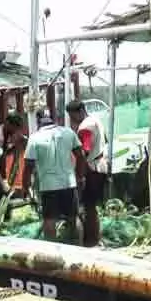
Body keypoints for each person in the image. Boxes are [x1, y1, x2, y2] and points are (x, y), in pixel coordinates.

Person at [21, 110, 87, 243]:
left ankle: (50, 252)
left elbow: (28, 166)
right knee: (73, 218)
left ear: (38, 122)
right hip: (69, 183)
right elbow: (81, 155)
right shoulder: (68, 132)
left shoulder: (35, 138)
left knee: (49, 220)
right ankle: (79, 247)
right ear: (53, 119)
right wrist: (80, 176)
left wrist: (25, 186)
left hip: (48, 186)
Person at [66, 99, 108, 247]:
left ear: (79, 112)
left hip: (92, 168)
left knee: (88, 206)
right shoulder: (96, 121)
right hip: (101, 164)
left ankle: (92, 240)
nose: (72, 120)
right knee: (92, 206)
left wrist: (80, 175)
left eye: (72, 116)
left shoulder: (85, 127)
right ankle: (94, 238)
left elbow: (84, 151)